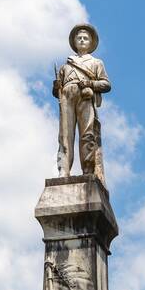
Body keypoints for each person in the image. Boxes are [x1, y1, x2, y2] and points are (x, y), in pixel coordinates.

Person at [53, 24, 111, 182]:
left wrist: (90, 84)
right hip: (66, 98)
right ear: (74, 41)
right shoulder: (66, 66)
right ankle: (63, 169)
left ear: (91, 42)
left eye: (85, 38)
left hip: (85, 97)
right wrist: (56, 86)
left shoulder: (96, 63)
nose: (82, 40)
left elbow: (106, 84)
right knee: (65, 135)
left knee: (87, 134)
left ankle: (88, 170)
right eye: (79, 38)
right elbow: (56, 90)